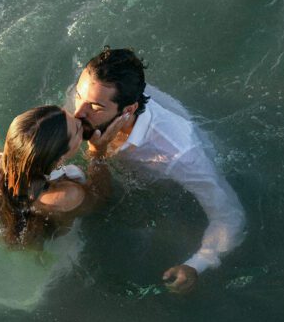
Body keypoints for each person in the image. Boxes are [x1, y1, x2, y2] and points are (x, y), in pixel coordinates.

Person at [70, 47, 246, 293]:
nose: (77, 112)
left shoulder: (181, 155)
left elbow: (229, 216)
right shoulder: (91, 97)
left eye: (95, 107)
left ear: (128, 110)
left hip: (169, 194)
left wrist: (198, 264)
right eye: (79, 95)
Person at [0, 105, 110, 249]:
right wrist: (98, 152)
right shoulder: (67, 195)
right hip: (50, 250)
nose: (79, 120)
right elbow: (101, 200)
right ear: (59, 159)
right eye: (77, 130)